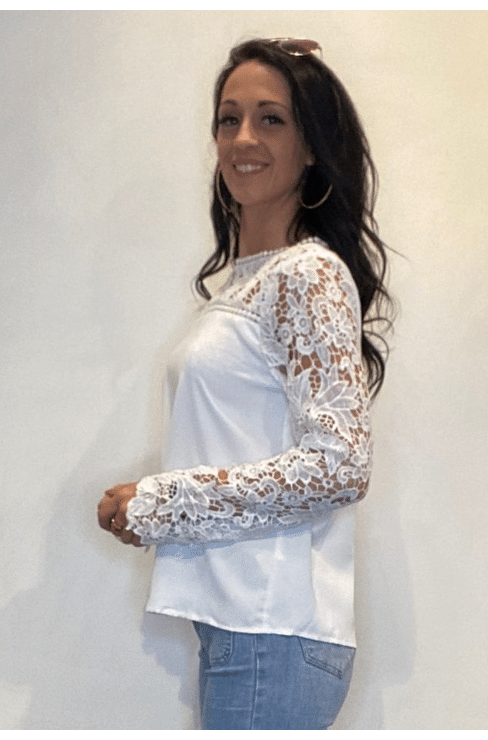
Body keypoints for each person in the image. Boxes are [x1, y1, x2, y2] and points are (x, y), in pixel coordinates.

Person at [97, 37, 393, 731]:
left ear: (312, 146)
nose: (243, 138)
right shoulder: (251, 282)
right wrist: (153, 501)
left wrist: (164, 502)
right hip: (251, 631)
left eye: (271, 119)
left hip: (271, 633)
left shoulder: (308, 274)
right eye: (228, 119)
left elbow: (339, 466)